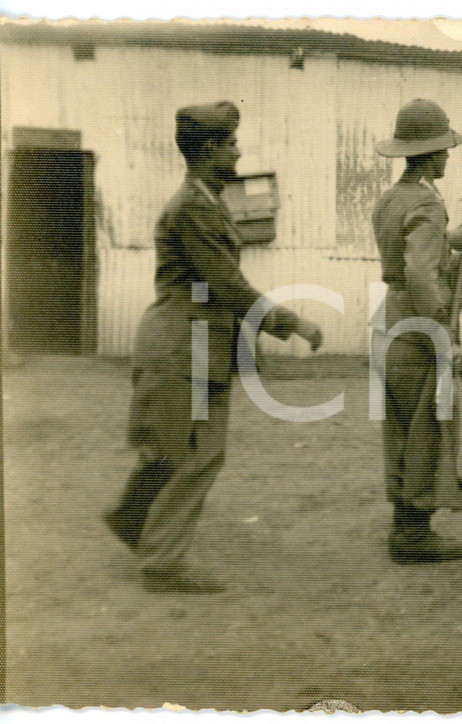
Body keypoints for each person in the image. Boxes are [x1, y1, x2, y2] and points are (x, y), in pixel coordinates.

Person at [103, 101, 323, 593]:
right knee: (196, 454)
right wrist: (293, 323)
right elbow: (227, 284)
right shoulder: (195, 208)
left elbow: (217, 287)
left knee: (175, 447)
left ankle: (134, 521)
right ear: (209, 149)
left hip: (195, 342)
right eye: (231, 144)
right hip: (185, 345)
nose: (239, 151)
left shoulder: (206, 199)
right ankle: (163, 563)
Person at [372, 99, 462, 564]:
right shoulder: (429, 201)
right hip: (419, 327)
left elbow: (411, 254)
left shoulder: (392, 198)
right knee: (427, 427)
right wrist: (440, 329)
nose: (449, 155)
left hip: (393, 321)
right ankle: (414, 534)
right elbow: (420, 272)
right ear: (431, 154)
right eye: (444, 148)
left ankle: (403, 525)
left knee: (401, 424)